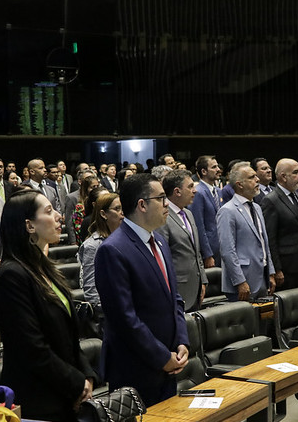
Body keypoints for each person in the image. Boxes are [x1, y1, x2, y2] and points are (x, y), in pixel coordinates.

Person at [0, 190, 98, 422]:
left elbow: (69, 336)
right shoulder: (12, 275)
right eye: (49, 211)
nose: (58, 217)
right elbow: (32, 348)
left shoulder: (43, 268)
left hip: (66, 392)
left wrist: (86, 376)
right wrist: (76, 384)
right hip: (40, 399)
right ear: (29, 225)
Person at [94, 174, 189, 407]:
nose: (168, 204)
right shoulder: (113, 250)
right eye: (162, 198)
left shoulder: (160, 242)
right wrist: (161, 357)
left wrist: (182, 342)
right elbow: (124, 319)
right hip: (136, 367)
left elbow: (174, 298)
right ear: (142, 204)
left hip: (169, 361)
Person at [216, 163, 276, 301]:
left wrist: (271, 272)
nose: (258, 180)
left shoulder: (256, 207)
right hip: (243, 281)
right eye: (252, 177)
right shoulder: (227, 211)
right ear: (240, 184)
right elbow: (227, 250)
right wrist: (239, 281)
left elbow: (264, 242)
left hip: (262, 276)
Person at [156, 169, 208, 311]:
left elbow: (196, 252)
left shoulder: (189, 214)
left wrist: (202, 280)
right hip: (177, 290)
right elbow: (162, 258)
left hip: (196, 288)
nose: (195, 191)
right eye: (190, 186)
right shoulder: (163, 217)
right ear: (177, 191)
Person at [262, 158, 298, 290]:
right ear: (283, 177)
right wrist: (276, 270)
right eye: (296, 172)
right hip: (286, 269)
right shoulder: (271, 200)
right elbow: (270, 239)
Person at [78, 192, 123, 315]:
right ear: (103, 214)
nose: (122, 212)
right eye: (117, 209)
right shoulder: (93, 246)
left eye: (123, 208)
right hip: (111, 315)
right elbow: (91, 292)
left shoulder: (128, 239)